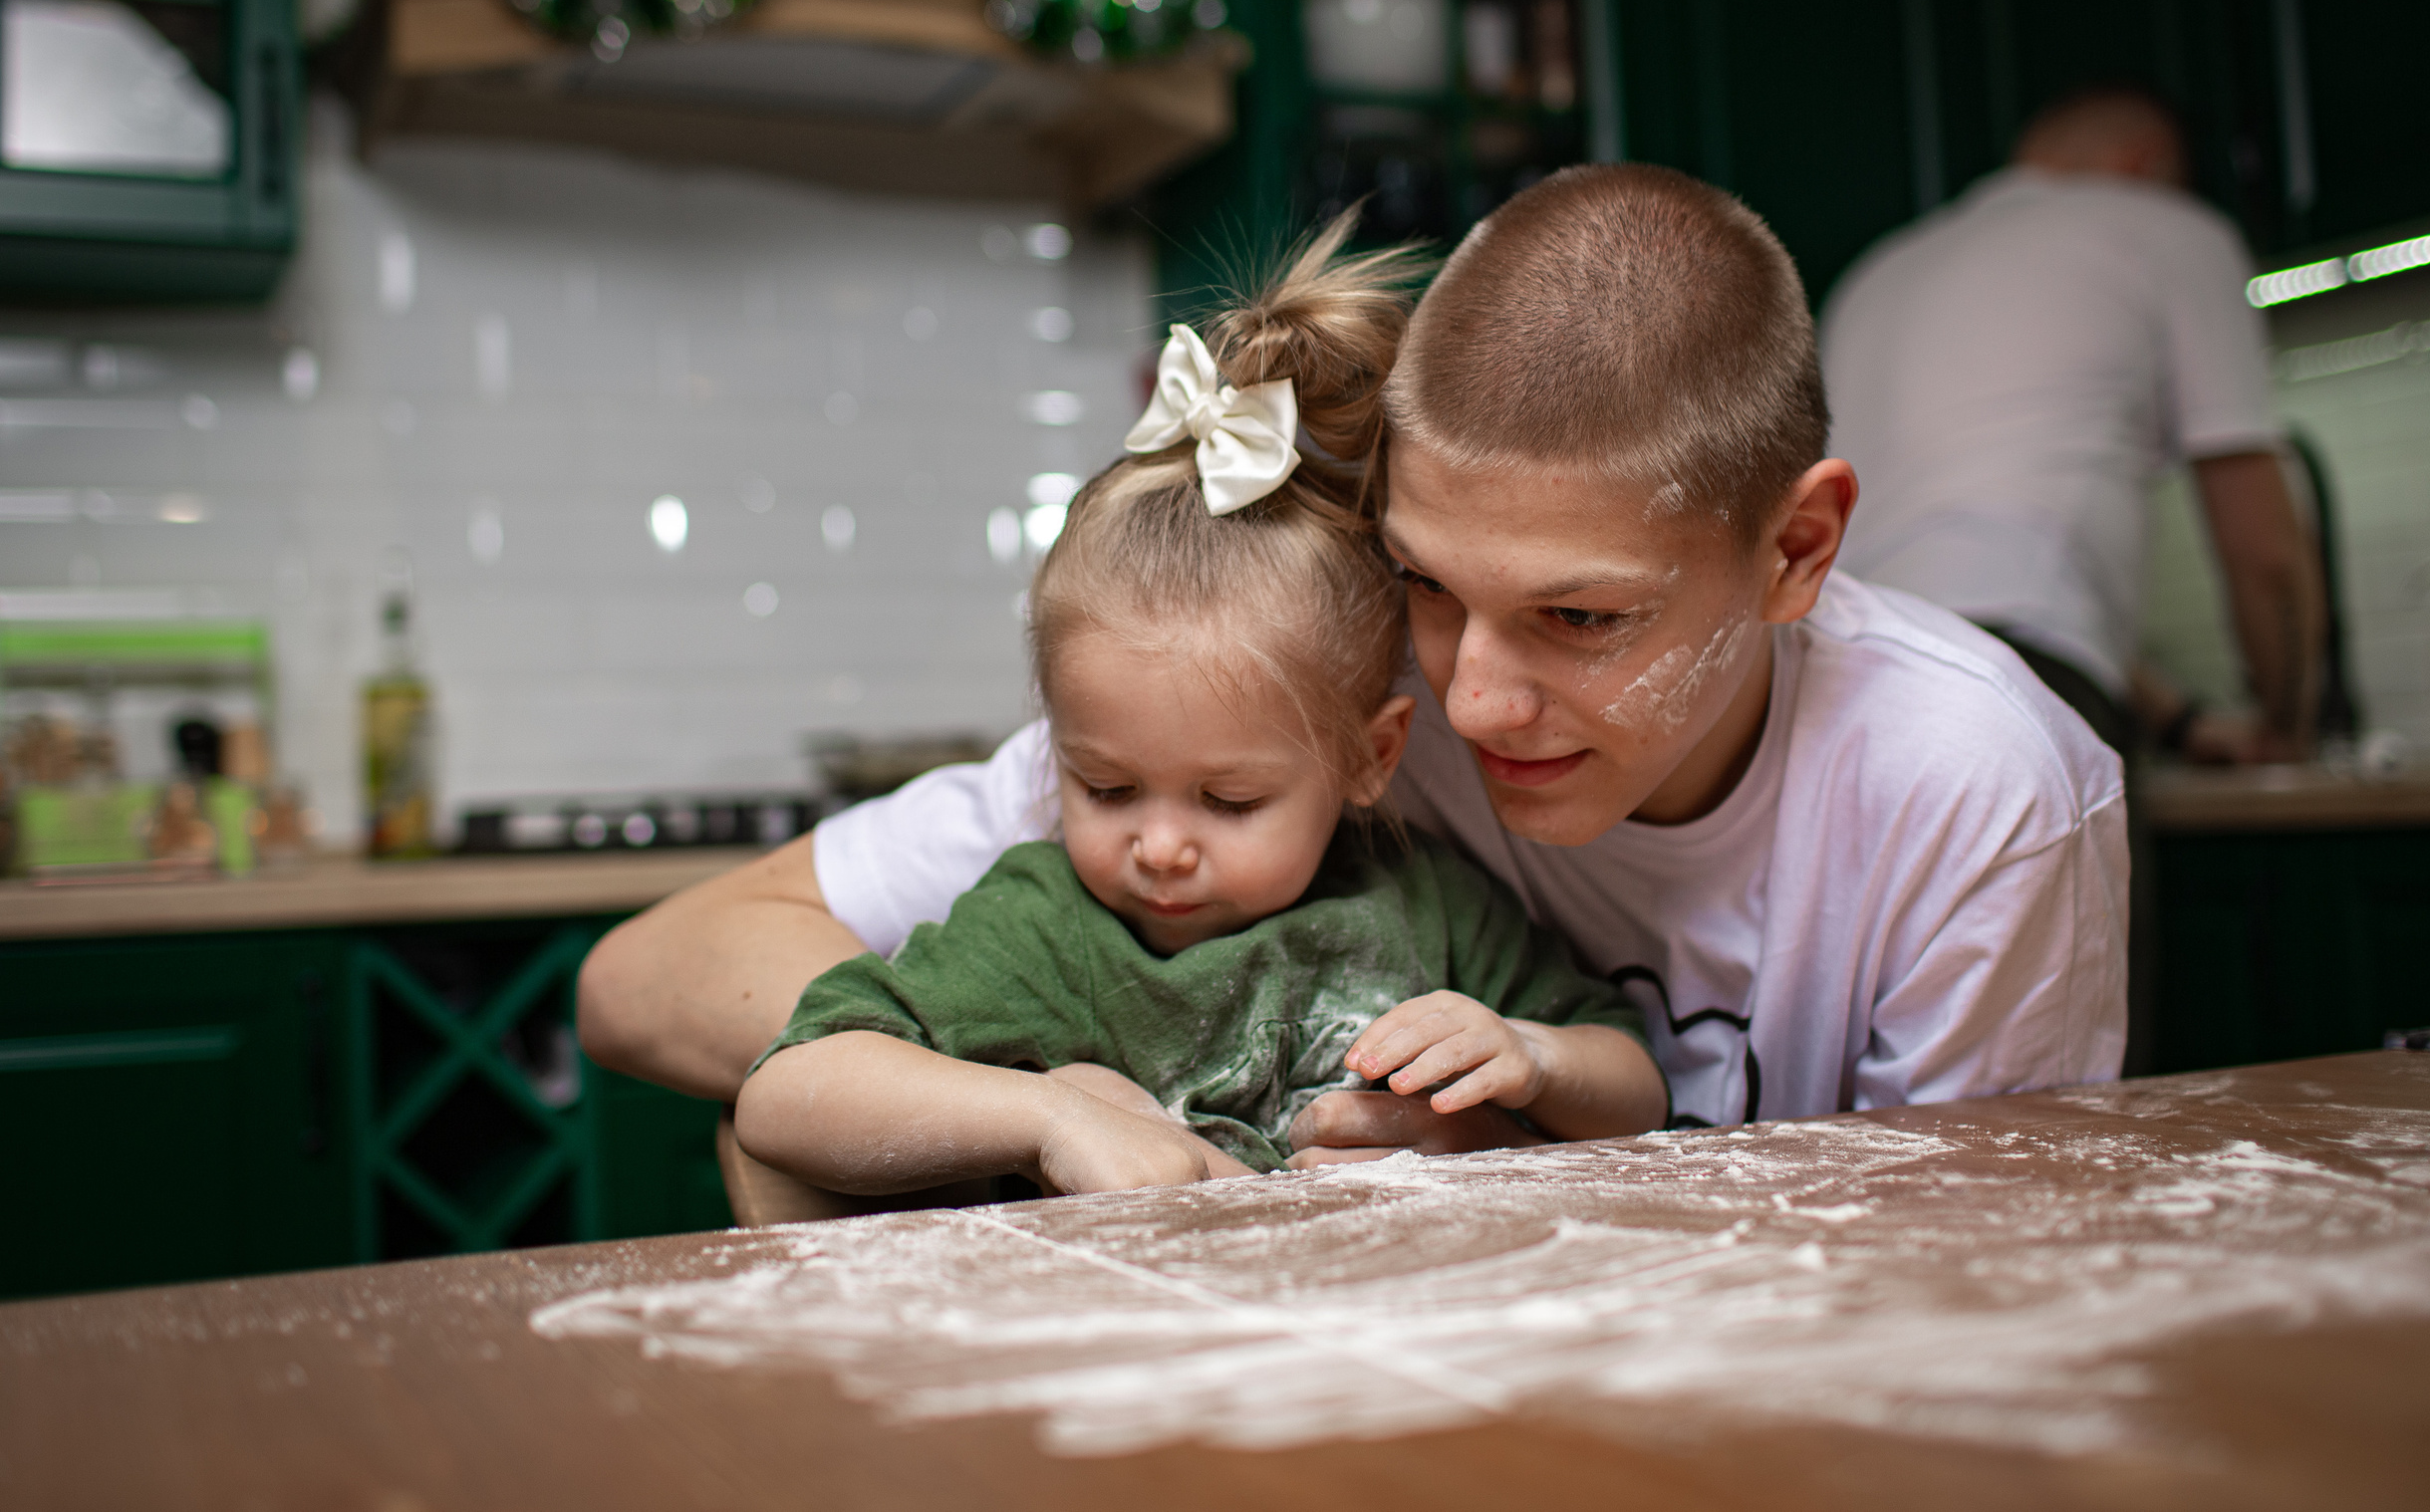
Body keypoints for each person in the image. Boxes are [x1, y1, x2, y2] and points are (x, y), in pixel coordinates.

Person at [580, 163, 2127, 1160]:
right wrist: (1084, 1093)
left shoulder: (1981, 793)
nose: (1474, 698)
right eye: (1432, 586)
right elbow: (647, 982)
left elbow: (1964, 1290)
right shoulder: (1320, 691)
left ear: (1795, 551)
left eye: (1583, 618)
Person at [733, 239, 1664, 1197]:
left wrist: (1533, 1056)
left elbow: (1635, 1086)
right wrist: (1052, 1118)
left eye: (1230, 798)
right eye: (1107, 786)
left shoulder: (1424, 910)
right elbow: (782, 1094)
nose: (1163, 846)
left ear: (1370, 755)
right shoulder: (1046, 932)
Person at [1820, 86, 2325, 766]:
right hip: (2015, 695)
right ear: (2147, 165)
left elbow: (1992, 585)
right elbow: (2263, 549)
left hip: (1828, 696)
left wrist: (2178, 723)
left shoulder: (1876, 272)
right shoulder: (2170, 230)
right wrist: (2287, 727)